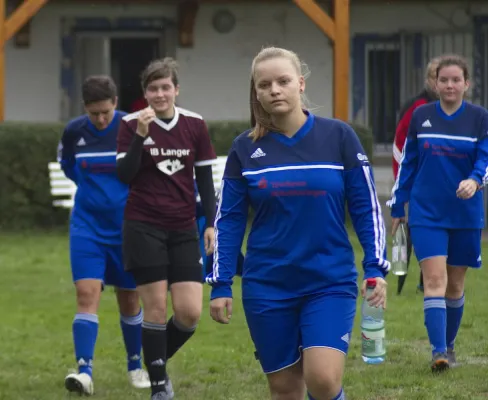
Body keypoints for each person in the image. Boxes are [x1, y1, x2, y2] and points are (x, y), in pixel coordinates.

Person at [206, 46, 389, 400]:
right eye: (265, 84)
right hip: (267, 285)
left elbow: (366, 207)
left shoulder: (339, 137)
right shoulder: (245, 148)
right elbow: (227, 221)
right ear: (256, 93)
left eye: (283, 81)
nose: (274, 89)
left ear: (300, 83)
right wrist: (221, 283)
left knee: (322, 380)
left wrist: (375, 266)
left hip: (328, 280)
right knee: (285, 388)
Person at [116, 57, 217, 400]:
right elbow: (125, 175)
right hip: (143, 225)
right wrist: (141, 137)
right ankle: (159, 386)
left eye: (165, 88)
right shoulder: (131, 124)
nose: (159, 94)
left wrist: (212, 224)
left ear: (176, 89)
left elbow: (204, 176)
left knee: (189, 313)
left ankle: (154, 362)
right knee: (156, 308)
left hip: (183, 226)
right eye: (152, 89)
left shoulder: (195, 124)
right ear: (145, 93)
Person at [388, 54, 488, 372]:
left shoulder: (479, 117)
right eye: (443, 79)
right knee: (434, 280)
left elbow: (486, 159)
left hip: (465, 213)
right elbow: (409, 162)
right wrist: (398, 204)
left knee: (455, 287)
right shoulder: (421, 116)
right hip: (426, 211)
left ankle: (450, 344)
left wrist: (475, 181)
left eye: (456, 79)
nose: (449, 85)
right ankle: (438, 352)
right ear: (435, 83)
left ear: (466, 84)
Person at [57, 75, 150, 396]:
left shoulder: (131, 126)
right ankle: (84, 373)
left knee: (129, 297)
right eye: (94, 113)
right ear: (85, 108)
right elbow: (68, 166)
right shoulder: (74, 131)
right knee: (86, 294)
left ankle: (135, 365)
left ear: (115, 105)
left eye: (106, 112)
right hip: (87, 227)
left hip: (127, 227)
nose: (100, 119)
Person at [392, 56, 441, 295]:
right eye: (437, 77)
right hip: (417, 180)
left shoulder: (454, 109)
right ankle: (401, 277)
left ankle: (427, 279)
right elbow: (399, 145)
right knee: (411, 231)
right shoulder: (417, 106)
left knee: (438, 231)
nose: (443, 83)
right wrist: (402, 182)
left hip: (444, 182)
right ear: (430, 80)